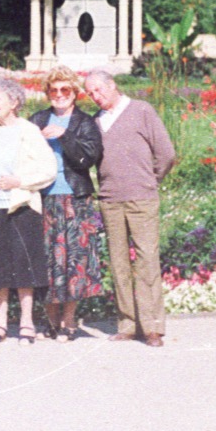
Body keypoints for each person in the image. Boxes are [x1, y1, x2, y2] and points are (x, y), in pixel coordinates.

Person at [84, 69, 177, 346]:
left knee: (147, 260)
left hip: (142, 198)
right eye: (90, 93)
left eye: (99, 90)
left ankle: (152, 327)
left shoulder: (141, 110)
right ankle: (127, 323)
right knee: (118, 262)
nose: (95, 97)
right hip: (110, 199)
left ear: (112, 85)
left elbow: (167, 154)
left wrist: (150, 180)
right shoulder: (96, 122)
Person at [0, 76, 57, 344]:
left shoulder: (28, 131)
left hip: (22, 206)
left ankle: (27, 322)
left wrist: (19, 181)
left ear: (14, 102)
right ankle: (0, 323)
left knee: (25, 264)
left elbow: (47, 169)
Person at [28, 66, 107, 342]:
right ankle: (50, 319)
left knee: (75, 260)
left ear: (74, 93)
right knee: (46, 260)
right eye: (54, 90)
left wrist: (63, 135)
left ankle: (69, 319)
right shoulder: (36, 119)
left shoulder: (85, 123)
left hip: (75, 198)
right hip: (42, 199)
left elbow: (88, 159)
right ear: (47, 93)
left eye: (65, 90)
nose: (59, 95)